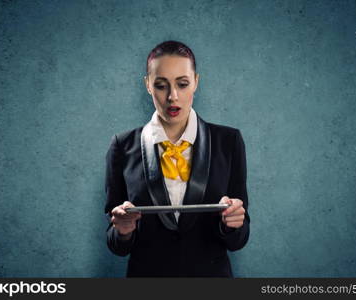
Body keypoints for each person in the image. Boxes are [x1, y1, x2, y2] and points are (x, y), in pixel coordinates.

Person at [104, 40, 250, 277]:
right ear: (148, 85)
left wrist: (232, 223)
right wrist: (123, 231)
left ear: (196, 83)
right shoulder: (122, 146)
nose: (173, 96)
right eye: (161, 85)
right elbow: (116, 244)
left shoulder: (229, 142)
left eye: (182, 84)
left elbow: (239, 240)